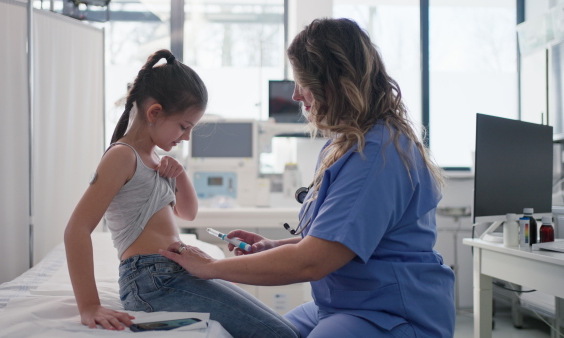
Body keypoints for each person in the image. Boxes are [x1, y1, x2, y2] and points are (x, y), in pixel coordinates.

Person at [159, 19, 456, 338]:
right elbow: (336, 239)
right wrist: (274, 246)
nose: (297, 95)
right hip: (343, 304)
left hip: (392, 313)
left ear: (335, 84)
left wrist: (211, 268)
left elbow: (312, 262)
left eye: (303, 83)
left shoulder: (376, 155)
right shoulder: (343, 144)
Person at [64, 49, 300, 338]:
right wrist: (90, 305)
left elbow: (187, 214)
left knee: (287, 330)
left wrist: (181, 174)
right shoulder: (122, 156)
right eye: (184, 126)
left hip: (175, 271)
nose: (187, 136)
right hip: (152, 280)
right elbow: (76, 229)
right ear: (154, 113)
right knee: (281, 336)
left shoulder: (154, 159)